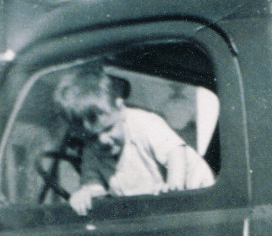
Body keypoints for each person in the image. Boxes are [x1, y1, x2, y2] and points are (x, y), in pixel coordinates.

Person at [52, 62, 214, 215]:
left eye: (109, 129)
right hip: (151, 209)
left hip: (198, 191)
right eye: (92, 137)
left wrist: (174, 187)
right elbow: (94, 184)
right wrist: (84, 193)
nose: (103, 140)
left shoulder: (144, 123)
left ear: (121, 108)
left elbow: (175, 151)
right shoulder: (92, 152)